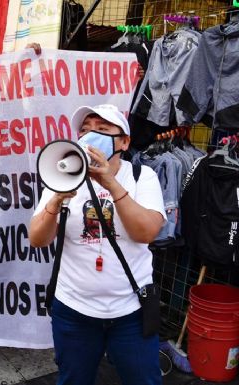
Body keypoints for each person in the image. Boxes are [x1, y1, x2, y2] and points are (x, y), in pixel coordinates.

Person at [29, 104, 166, 385]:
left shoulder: (142, 177)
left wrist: (110, 183)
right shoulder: (63, 176)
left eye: (102, 130)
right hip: (74, 311)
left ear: (124, 142)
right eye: (85, 130)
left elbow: (147, 232)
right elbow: (38, 239)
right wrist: (56, 200)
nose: (90, 136)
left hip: (131, 312)